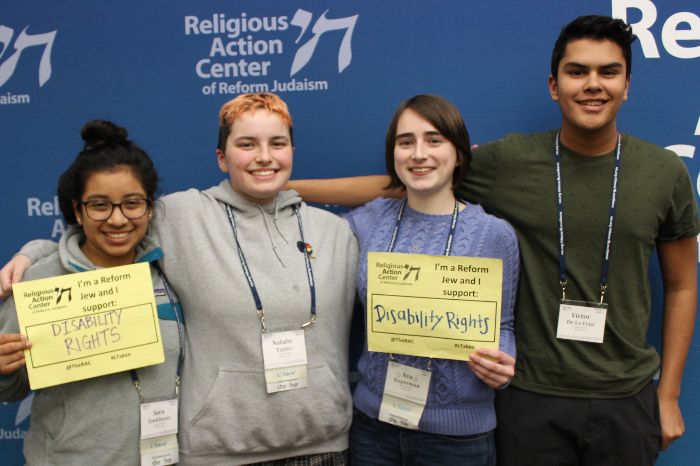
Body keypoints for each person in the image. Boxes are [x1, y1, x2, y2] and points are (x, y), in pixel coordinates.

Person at [287, 15, 699, 466]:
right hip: (530, 396)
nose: (592, 85)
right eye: (577, 71)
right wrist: (288, 188)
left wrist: (669, 395)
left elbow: (681, 286)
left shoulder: (665, 172)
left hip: (626, 395)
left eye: (608, 72)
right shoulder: (510, 160)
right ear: (553, 85)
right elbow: (407, 180)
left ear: (627, 84)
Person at [1, 93, 359, 465]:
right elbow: (103, 232)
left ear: (292, 151)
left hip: (322, 444)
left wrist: (300, 188)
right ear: (222, 157)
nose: (264, 156)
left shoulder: (337, 232)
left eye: (277, 144)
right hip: (217, 449)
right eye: (247, 144)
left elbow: (401, 190)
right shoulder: (179, 217)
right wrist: (35, 253)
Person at [345, 95, 518, 465]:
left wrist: (503, 362)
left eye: (434, 140)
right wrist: (285, 184)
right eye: (406, 142)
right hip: (373, 429)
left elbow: (501, 324)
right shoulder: (365, 223)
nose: (419, 153)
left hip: (456, 440)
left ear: (459, 153)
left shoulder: (494, 235)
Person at [0, 120, 184, 465]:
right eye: (100, 205)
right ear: (77, 211)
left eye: (132, 203)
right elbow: (10, 390)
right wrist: (2, 370)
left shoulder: (174, 272)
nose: (117, 220)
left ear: (150, 207)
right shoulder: (35, 281)